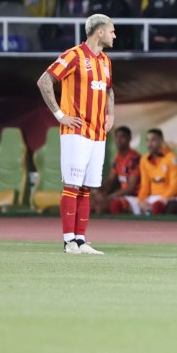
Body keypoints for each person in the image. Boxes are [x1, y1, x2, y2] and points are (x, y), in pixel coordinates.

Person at [36, 14, 116, 255]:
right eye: (112, 30)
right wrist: (60, 115)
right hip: (76, 130)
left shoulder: (105, 60)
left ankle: (80, 239)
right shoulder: (73, 55)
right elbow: (44, 81)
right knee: (72, 184)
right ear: (99, 32)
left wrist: (110, 115)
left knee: (87, 187)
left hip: (97, 132)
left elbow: (109, 89)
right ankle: (68, 240)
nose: (115, 35)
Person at [125, 128, 177, 214]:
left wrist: (161, 200)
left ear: (161, 140)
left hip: (169, 198)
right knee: (121, 204)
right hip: (151, 198)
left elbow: (175, 186)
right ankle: (148, 210)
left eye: (153, 140)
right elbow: (145, 186)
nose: (149, 144)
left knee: (161, 207)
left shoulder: (172, 158)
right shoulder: (144, 160)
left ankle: (150, 210)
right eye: (147, 140)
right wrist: (140, 200)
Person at [92, 125, 140, 215]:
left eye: (122, 137)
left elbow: (130, 188)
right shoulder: (118, 157)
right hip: (120, 195)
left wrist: (109, 197)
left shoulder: (134, 158)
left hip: (133, 197)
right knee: (91, 203)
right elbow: (111, 179)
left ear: (129, 139)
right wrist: (99, 191)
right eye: (116, 137)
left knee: (102, 207)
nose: (118, 140)